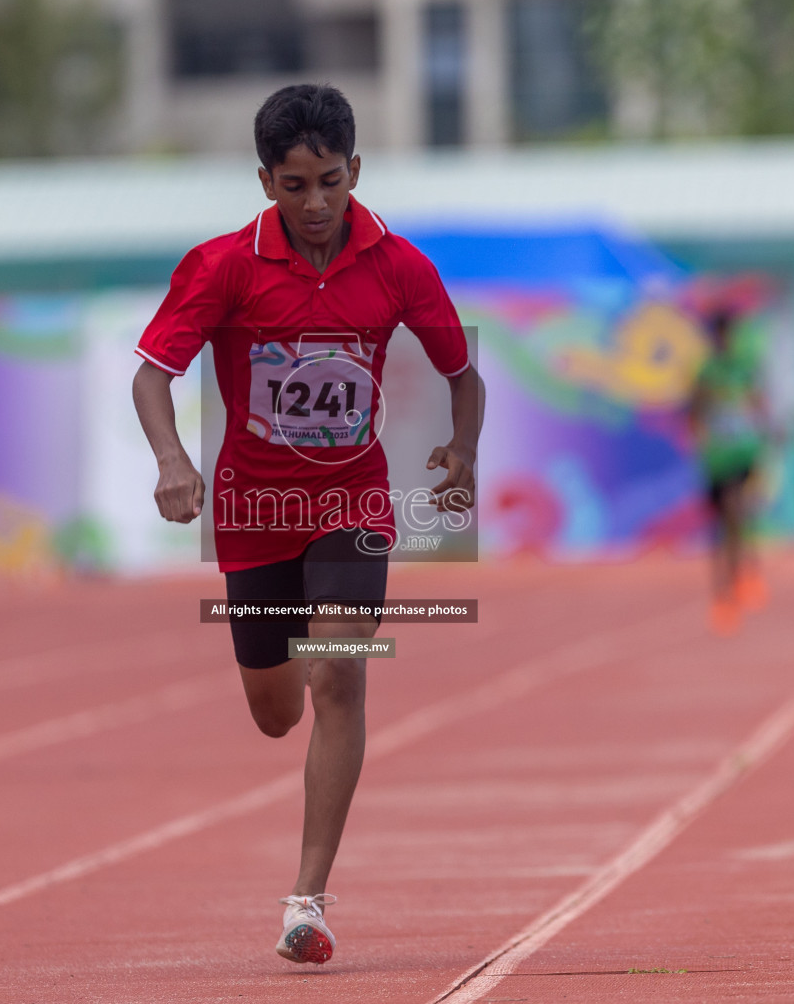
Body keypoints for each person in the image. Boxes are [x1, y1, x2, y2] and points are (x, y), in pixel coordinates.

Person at [131, 83, 483, 965]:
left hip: (353, 503)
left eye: (330, 180)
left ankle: (308, 901)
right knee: (275, 712)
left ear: (355, 170)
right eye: (296, 186)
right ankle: (278, 669)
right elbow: (151, 376)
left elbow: (461, 374)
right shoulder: (221, 268)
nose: (317, 204)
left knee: (340, 675)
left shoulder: (399, 267)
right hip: (254, 512)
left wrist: (463, 449)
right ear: (265, 183)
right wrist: (172, 462)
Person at [688, 307, 769, 635]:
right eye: (720, 334)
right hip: (717, 457)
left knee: (739, 513)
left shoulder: (744, 370)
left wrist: (763, 435)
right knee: (723, 526)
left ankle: (744, 576)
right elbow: (694, 409)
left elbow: (757, 404)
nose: (724, 340)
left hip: (743, 453)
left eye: (729, 334)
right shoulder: (706, 373)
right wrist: (701, 438)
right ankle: (724, 590)